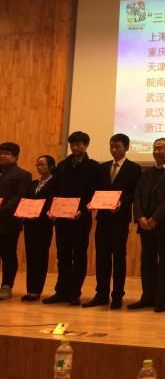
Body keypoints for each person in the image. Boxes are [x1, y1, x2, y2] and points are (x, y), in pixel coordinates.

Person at [83, 134, 141, 310]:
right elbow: (96, 191)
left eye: (118, 147)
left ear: (126, 148)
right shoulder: (103, 167)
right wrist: (92, 202)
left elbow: (135, 193)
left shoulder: (134, 168)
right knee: (102, 258)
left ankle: (117, 295)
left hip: (120, 219)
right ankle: (101, 294)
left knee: (119, 258)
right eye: (111, 147)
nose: (114, 150)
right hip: (103, 218)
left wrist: (122, 203)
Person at [43, 131, 101, 306]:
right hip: (62, 218)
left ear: (86, 145)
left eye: (78, 144)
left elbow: (95, 193)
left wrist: (82, 210)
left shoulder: (93, 167)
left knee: (79, 256)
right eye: (72, 144)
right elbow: (53, 190)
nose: (75, 148)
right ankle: (61, 291)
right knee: (63, 256)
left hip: (80, 218)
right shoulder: (62, 166)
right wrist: (52, 208)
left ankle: (74, 292)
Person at [129, 138, 165, 313]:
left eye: (160, 149)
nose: (156, 152)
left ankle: (162, 298)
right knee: (147, 262)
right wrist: (140, 217)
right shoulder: (146, 173)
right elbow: (137, 196)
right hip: (145, 224)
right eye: (154, 149)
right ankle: (147, 296)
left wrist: (156, 218)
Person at [20, 155, 56, 301]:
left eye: (42, 164)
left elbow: (53, 203)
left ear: (51, 166)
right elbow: (25, 201)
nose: (39, 167)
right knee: (30, 256)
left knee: (40, 256)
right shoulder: (33, 183)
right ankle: (30, 290)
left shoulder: (55, 183)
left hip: (44, 224)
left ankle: (37, 290)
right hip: (29, 224)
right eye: (38, 165)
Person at [0, 142, 32, 300]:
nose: (2, 156)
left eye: (7, 153)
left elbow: (20, 196)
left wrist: (3, 210)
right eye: (1, 153)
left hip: (9, 221)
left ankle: (7, 286)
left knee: (8, 254)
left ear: (16, 156)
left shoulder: (23, 175)